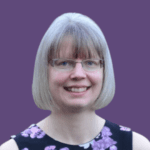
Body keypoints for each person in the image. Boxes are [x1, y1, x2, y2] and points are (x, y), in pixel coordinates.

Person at [1, 12, 150, 150]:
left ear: (104, 71)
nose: (78, 74)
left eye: (90, 62)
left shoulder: (136, 146)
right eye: (64, 63)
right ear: (44, 72)